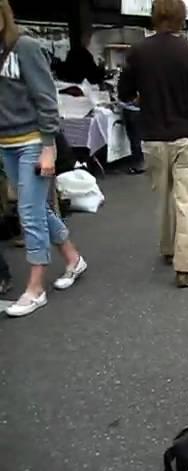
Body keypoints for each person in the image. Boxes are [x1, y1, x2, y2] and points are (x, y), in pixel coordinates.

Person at [118, 0, 188, 288]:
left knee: (162, 197)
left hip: (151, 137)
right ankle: (184, 266)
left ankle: (166, 247)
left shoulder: (138, 52)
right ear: (182, 18)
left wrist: (144, 100)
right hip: (185, 135)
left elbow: (124, 92)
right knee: (187, 201)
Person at [0, 0, 87, 317]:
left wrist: (49, 145)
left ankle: (36, 287)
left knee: (28, 211)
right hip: (6, 142)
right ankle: (73, 258)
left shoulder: (25, 47)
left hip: (32, 141)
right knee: (34, 206)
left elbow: (46, 98)